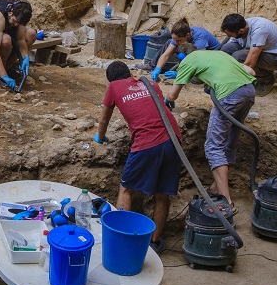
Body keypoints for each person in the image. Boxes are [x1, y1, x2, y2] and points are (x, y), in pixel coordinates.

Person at [95, 60, 182, 255]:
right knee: (162, 194)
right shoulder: (152, 84)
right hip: (173, 140)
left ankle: (120, 242)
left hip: (146, 143)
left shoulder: (114, 87)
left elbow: (104, 118)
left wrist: (100, 137)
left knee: (126, 190)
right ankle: (154, 242)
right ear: (129, 74)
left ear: (111, 80)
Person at [165, 43, 256, 213]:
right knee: (229, 142)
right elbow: (251, 71)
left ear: (182, 57)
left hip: (229, 94)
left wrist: (167, 100)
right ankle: (216, 187)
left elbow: (172, 95)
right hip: (249, 91)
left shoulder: (188, 61)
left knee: (213, 146)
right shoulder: (218, 54)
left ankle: (226, 202)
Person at [220, 14, 277, 96]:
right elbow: (230, 49)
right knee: (226, 49)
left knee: (239, 56)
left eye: (231, 35)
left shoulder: (259, 30)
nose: (229, 37)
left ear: (241, 31)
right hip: (260, 50)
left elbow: (249, 63)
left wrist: (235, 83)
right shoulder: (240, 25)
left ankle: (266, 80)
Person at [144, 18, 221, 80]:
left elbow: (199, 62)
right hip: (192, 53)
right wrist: (158, 69)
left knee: (196, 78)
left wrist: (180, 74)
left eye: (178, 40)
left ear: (187, 35)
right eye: (175, 40)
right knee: (169, 42)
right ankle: (152, 66)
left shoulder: (200, 38)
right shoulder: (180, 36)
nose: (176, 42)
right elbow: (166, 55)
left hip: (210, 60)